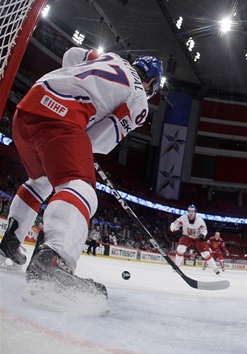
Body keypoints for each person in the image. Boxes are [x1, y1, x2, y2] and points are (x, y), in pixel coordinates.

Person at [0, 46, 162, 311]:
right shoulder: (139, 100)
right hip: (59, 119)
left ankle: (10, 243)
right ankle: (53, 261)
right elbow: (97, 139)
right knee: (80, 186)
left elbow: (72, 55)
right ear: (152, 82)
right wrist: (80, 142)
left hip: (28, 107)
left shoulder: (110, 58)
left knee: (40, 182)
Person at [169, 205, 220, 275]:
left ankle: (216, 269)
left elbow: (204, 229)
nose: (191, 213)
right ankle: (176, 266)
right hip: (186, 236)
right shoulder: (183, 218)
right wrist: (175, 230)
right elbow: (173, 224)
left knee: (205, 253)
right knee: (180, 249)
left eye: (192, 211)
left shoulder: (200, 220)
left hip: (197, 238)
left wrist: (203, 235)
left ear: (195, 212)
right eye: (189, 211)